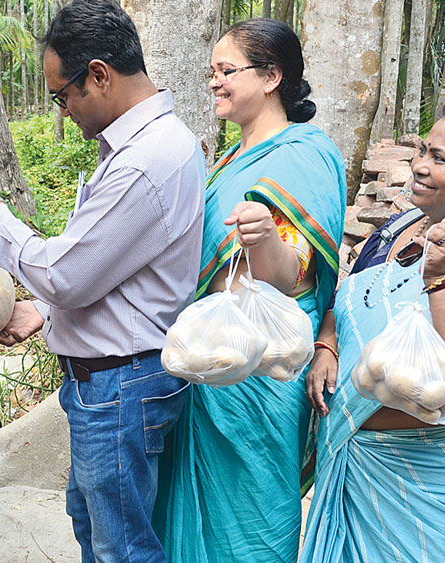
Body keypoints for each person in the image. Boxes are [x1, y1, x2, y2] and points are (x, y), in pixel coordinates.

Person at [0, 1, 205, 559]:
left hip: (120, 384)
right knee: (96, 526)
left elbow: (67, 274)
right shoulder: (139, 149)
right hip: (114, 381)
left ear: (98, 75)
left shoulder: (146, 158)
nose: (63, 112)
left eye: (61, 95)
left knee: (121, 548)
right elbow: (107, 264)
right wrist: (43, 309)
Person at [301, 95, 445, 561]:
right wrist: (327, 342)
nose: (419, 166)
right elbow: (348, 297)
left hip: (439, 484)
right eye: (423, 150)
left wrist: (441, 280)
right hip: (359, 466)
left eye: (439, 158)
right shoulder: (401, 226)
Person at [151, 18, 347, 562]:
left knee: (255, 514)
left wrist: (262, 239)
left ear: (271, 77)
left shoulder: (305, 152)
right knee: (191, 513)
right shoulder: (225, 160)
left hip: (262, 368)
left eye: (226, 71)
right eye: (212, 71)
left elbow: (287, 277)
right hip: (209, 357)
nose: (215, 81)